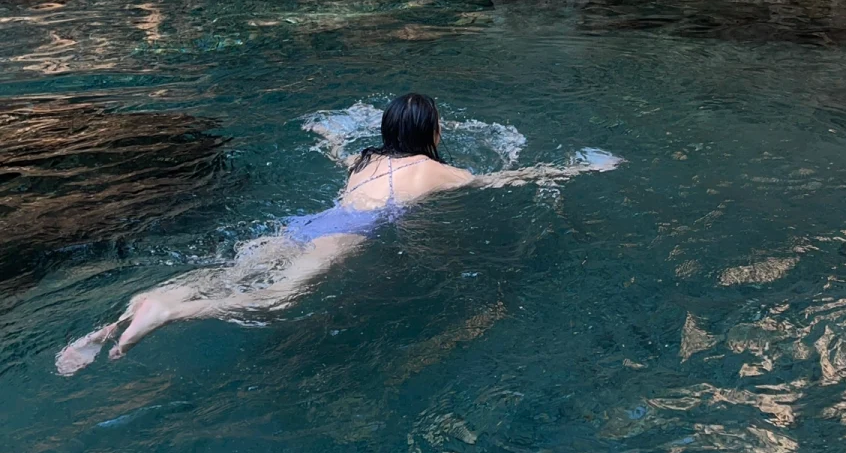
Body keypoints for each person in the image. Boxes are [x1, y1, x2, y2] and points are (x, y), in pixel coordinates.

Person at [55, 93, 619, 375]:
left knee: (229, 273)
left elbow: (335, 155)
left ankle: (127, 317)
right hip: (345, 234)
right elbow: (505, 180)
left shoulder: (365, 158)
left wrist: (326, 132)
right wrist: (573, 170)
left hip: (306, 223)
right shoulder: (435, 171)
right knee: (276, 299)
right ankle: (169, 315)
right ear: (431, 131)